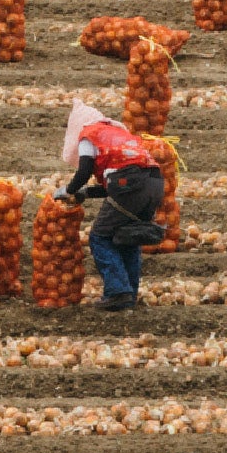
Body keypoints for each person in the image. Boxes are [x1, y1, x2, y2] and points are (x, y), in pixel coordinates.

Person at [59, 100, 165, 313]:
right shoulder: (119, 135)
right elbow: (120, 180)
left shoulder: (89, 134)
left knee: (100, 237)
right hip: (155, 184)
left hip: (129, 184)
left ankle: (117, 292)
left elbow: (85, 170)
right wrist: (85, 193)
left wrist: (68, 190)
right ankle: (129, 294)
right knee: (128, 237)